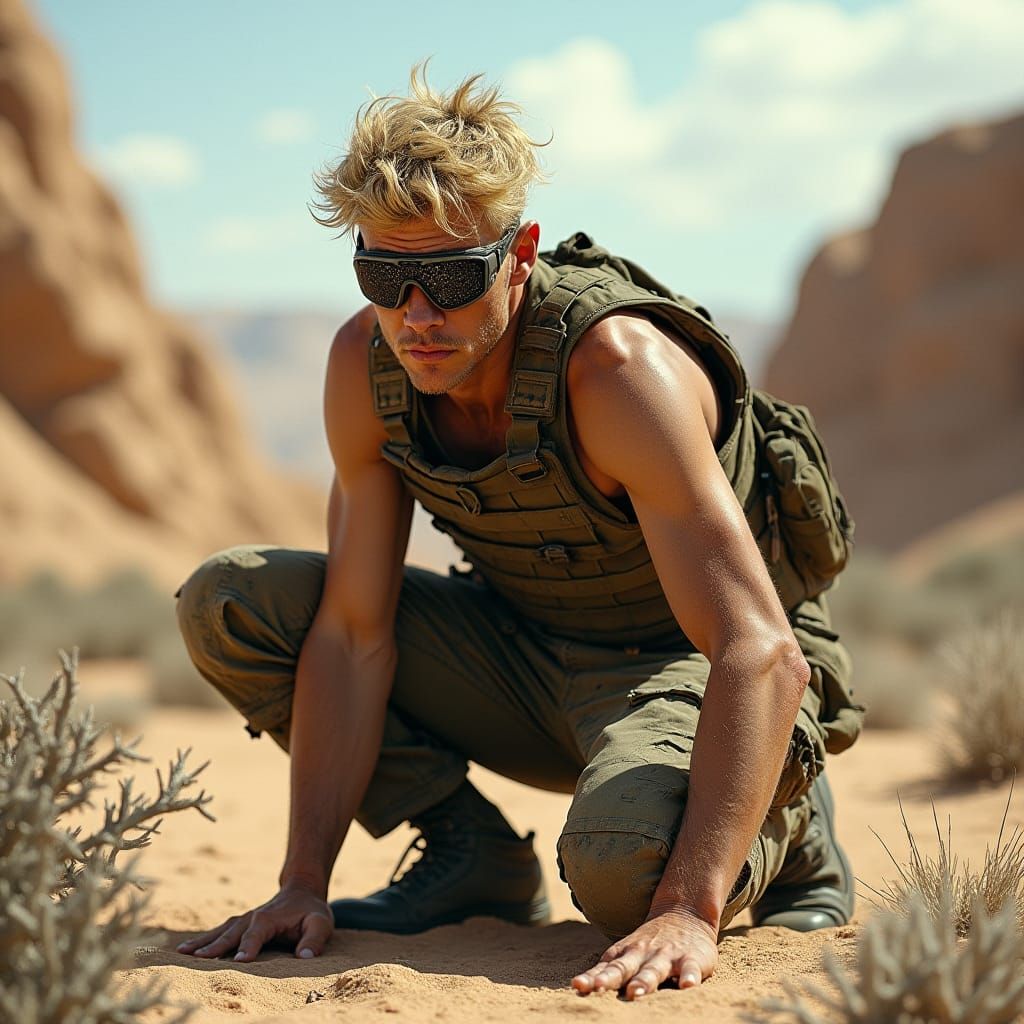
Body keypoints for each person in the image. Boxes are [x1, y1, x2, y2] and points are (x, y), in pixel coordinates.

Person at [173, 67, 862, 1000]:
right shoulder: (364, 365)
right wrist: (303, 882)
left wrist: (691, 908)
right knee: (235, 600)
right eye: (385, 274)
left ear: (521, 253)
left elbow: (760, 647)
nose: (416, 314)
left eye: (453, 276)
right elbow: (350, 633)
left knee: (627, 876)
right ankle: (473, 859)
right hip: (524, 657)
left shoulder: (614, 372)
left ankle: (793, 829)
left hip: (688, 670)